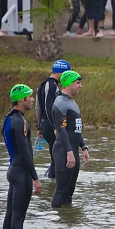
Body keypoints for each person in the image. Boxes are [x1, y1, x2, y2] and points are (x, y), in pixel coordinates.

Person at [1, 84, 43, 229]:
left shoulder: (8, 119)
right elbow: (25, 153)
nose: (32, 99)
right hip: (21, 173)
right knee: (18, 220)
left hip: (13, 170)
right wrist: (35, 178)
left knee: (9, 218)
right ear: (21, 100)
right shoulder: (20, 122)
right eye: (30, 97)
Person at [51, 70, 90, 208]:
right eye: (78, 83)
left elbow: (75, 129)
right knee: (61, 190)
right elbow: (61, 130)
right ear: (68, 84)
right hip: (64, 151)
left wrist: (83, 147)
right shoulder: (60, 102)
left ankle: (67, 222)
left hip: (73, 151)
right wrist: (68, 152)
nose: (80, 86)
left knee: (69, 193)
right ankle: (56, 222)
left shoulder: (71, 102)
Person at [35, 59, 71, 179]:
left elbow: (38, 108)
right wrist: (55, 126)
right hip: (51, 126)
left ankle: (51, 181)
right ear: (60, 74)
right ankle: (53, 181)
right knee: (57, 159)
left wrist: (39, 126)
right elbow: (48, 107)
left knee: (54, 158)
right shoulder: (51, 86)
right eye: (65, 75)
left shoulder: (42, 85)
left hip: (45, 125)